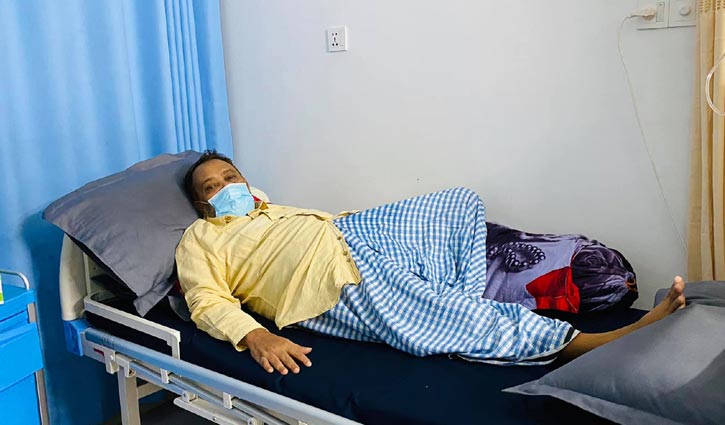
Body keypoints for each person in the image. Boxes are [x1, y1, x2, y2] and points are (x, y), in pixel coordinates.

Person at [176, 150, 686, 376]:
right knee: (433, 303)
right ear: (202, 203)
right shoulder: (202, 238)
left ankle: (454, 305)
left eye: (230, 177)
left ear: (246, 180)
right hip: (323, 279)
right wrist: (254, 335)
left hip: (355, 232)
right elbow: (205, 300)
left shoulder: (274, 208)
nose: (225, 187)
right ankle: (586, 342)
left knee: (459, 202)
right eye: (211, 187)